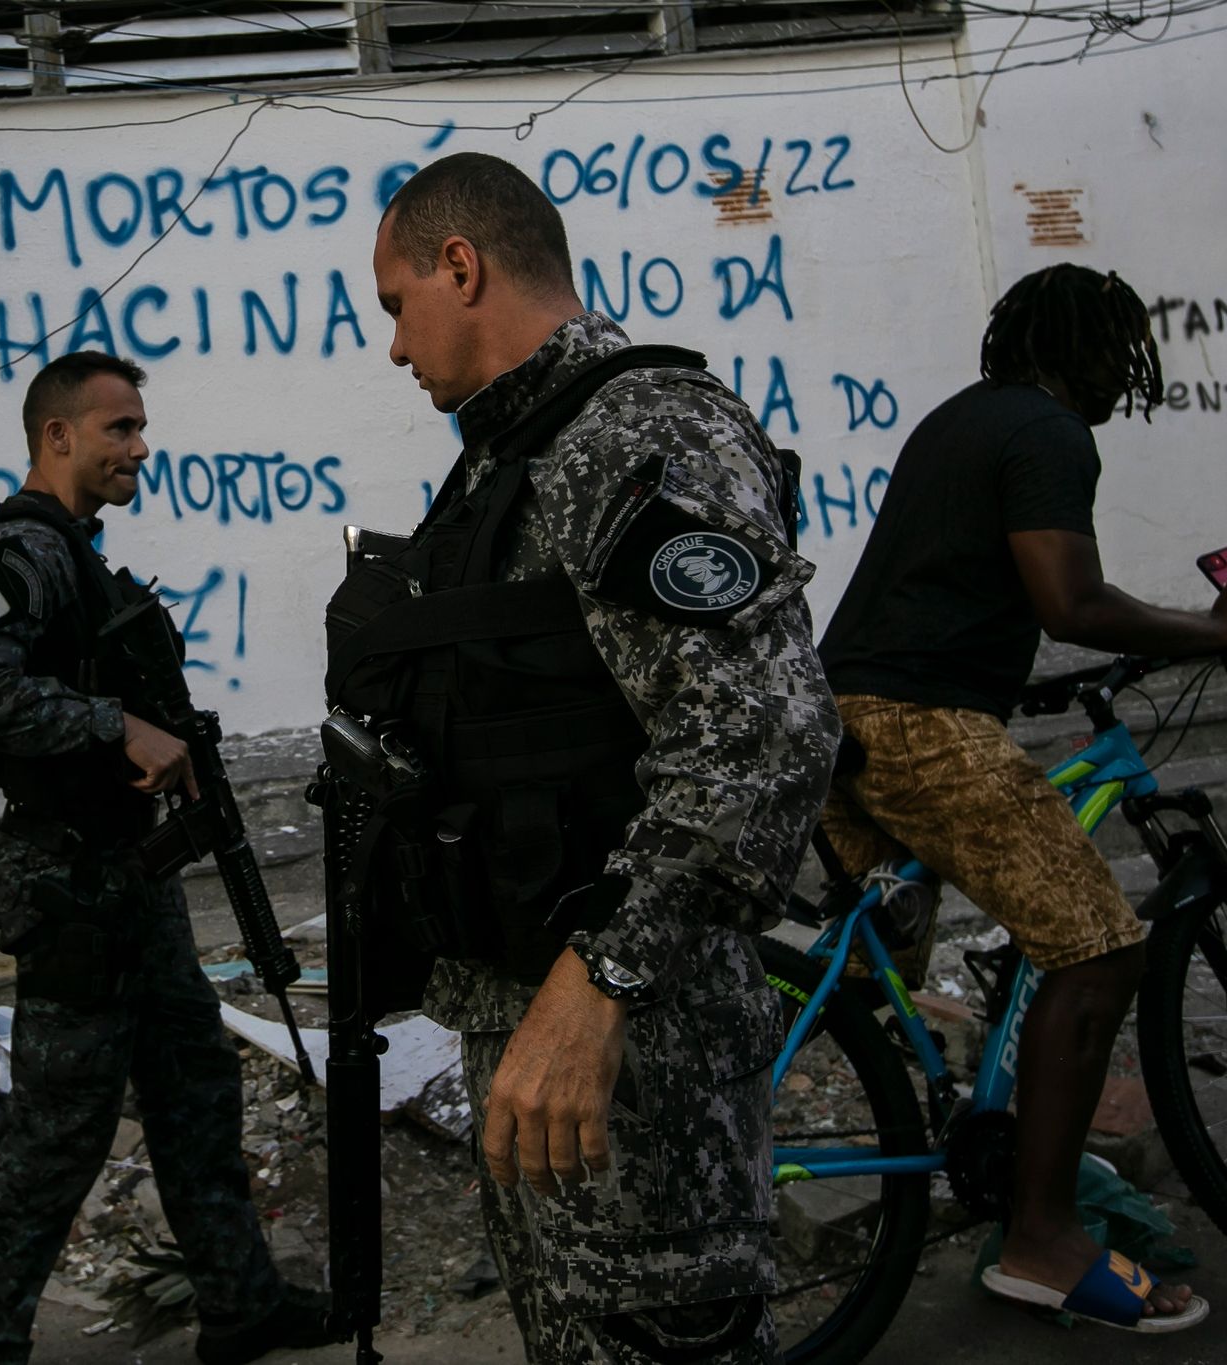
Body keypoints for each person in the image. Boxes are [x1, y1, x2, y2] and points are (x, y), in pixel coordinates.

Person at [340, 152, 838, 1363]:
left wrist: (596, 984)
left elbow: (763, 730)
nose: (395, 349)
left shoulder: (640, 430)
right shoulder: (520, 452)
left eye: (396, 304)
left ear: (460, 267)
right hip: (542, 1037)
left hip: (634, 1062)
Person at [818, 264, 1227, 1333]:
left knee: (878, 982)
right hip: (918, 729)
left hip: (847, 717)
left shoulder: (959, 421)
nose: (1124, 377)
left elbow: (952, 592)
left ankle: (981, 1154)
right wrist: (1218, 627)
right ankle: (1039, 1241)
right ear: (1082, 349)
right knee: (1098, 951)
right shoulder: (1044, 430)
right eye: (1118, 353)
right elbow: (1068, 600)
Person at [0, 351, 333, 1365]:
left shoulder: (74, 552)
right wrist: (120, 728)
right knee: (55, 1139)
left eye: (138, 427)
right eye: (117, 429)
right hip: (68, 884)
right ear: (56, 435)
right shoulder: (22, 551)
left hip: (125, 874)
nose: (138, 448)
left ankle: (239, 1307)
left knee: (193, 1086)